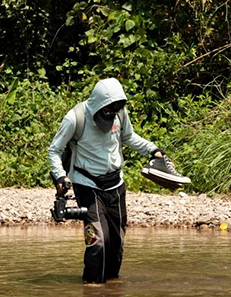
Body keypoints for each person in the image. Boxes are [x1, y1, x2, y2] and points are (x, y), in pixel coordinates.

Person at [48, 78, 185, 284]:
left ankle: (111, 289)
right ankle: (92, 289)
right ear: (97, 105)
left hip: (115, 185)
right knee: (98, 241)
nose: (111, 114)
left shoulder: (120, 113)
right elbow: (54, 150)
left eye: (115, 109)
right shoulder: (75, 118)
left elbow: (129, 137)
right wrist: (60, 175)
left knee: (116, 242)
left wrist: (153, 150)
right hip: (87, 185)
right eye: (107, 110)